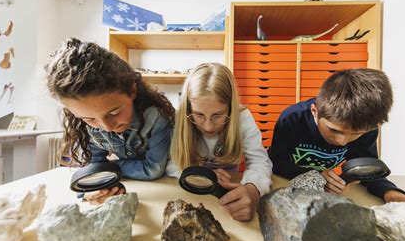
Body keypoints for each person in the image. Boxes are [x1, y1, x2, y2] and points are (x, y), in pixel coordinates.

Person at [268, 68, 405, 206]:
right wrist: (313, 175)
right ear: (314, 112)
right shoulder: (293, 119)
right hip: (288, 185)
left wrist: (393, 194)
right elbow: (275, 161)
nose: (342, 141)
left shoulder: (366, 127)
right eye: (334, 131)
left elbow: (367, 169)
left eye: (357, 134)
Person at [45, 38, 175, 205]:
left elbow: (153, 169)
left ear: (132, 90)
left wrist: (108, 168)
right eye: (89, 119)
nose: (107, 127)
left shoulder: (156, 118)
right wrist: (92, 189)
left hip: (161, 192)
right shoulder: (85, 126)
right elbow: (94, 166)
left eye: (114, 112)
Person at [167, 63, 272, 222]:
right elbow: (170, 163)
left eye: (218, 115)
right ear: (188, 109)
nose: (208, 126)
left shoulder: (242, 118)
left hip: (226, 199)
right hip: (188, 194)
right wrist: (201, 174)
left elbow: (260, 161)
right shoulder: (179, 118)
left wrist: (253, 189)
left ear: (230, 108)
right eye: (199, 115)